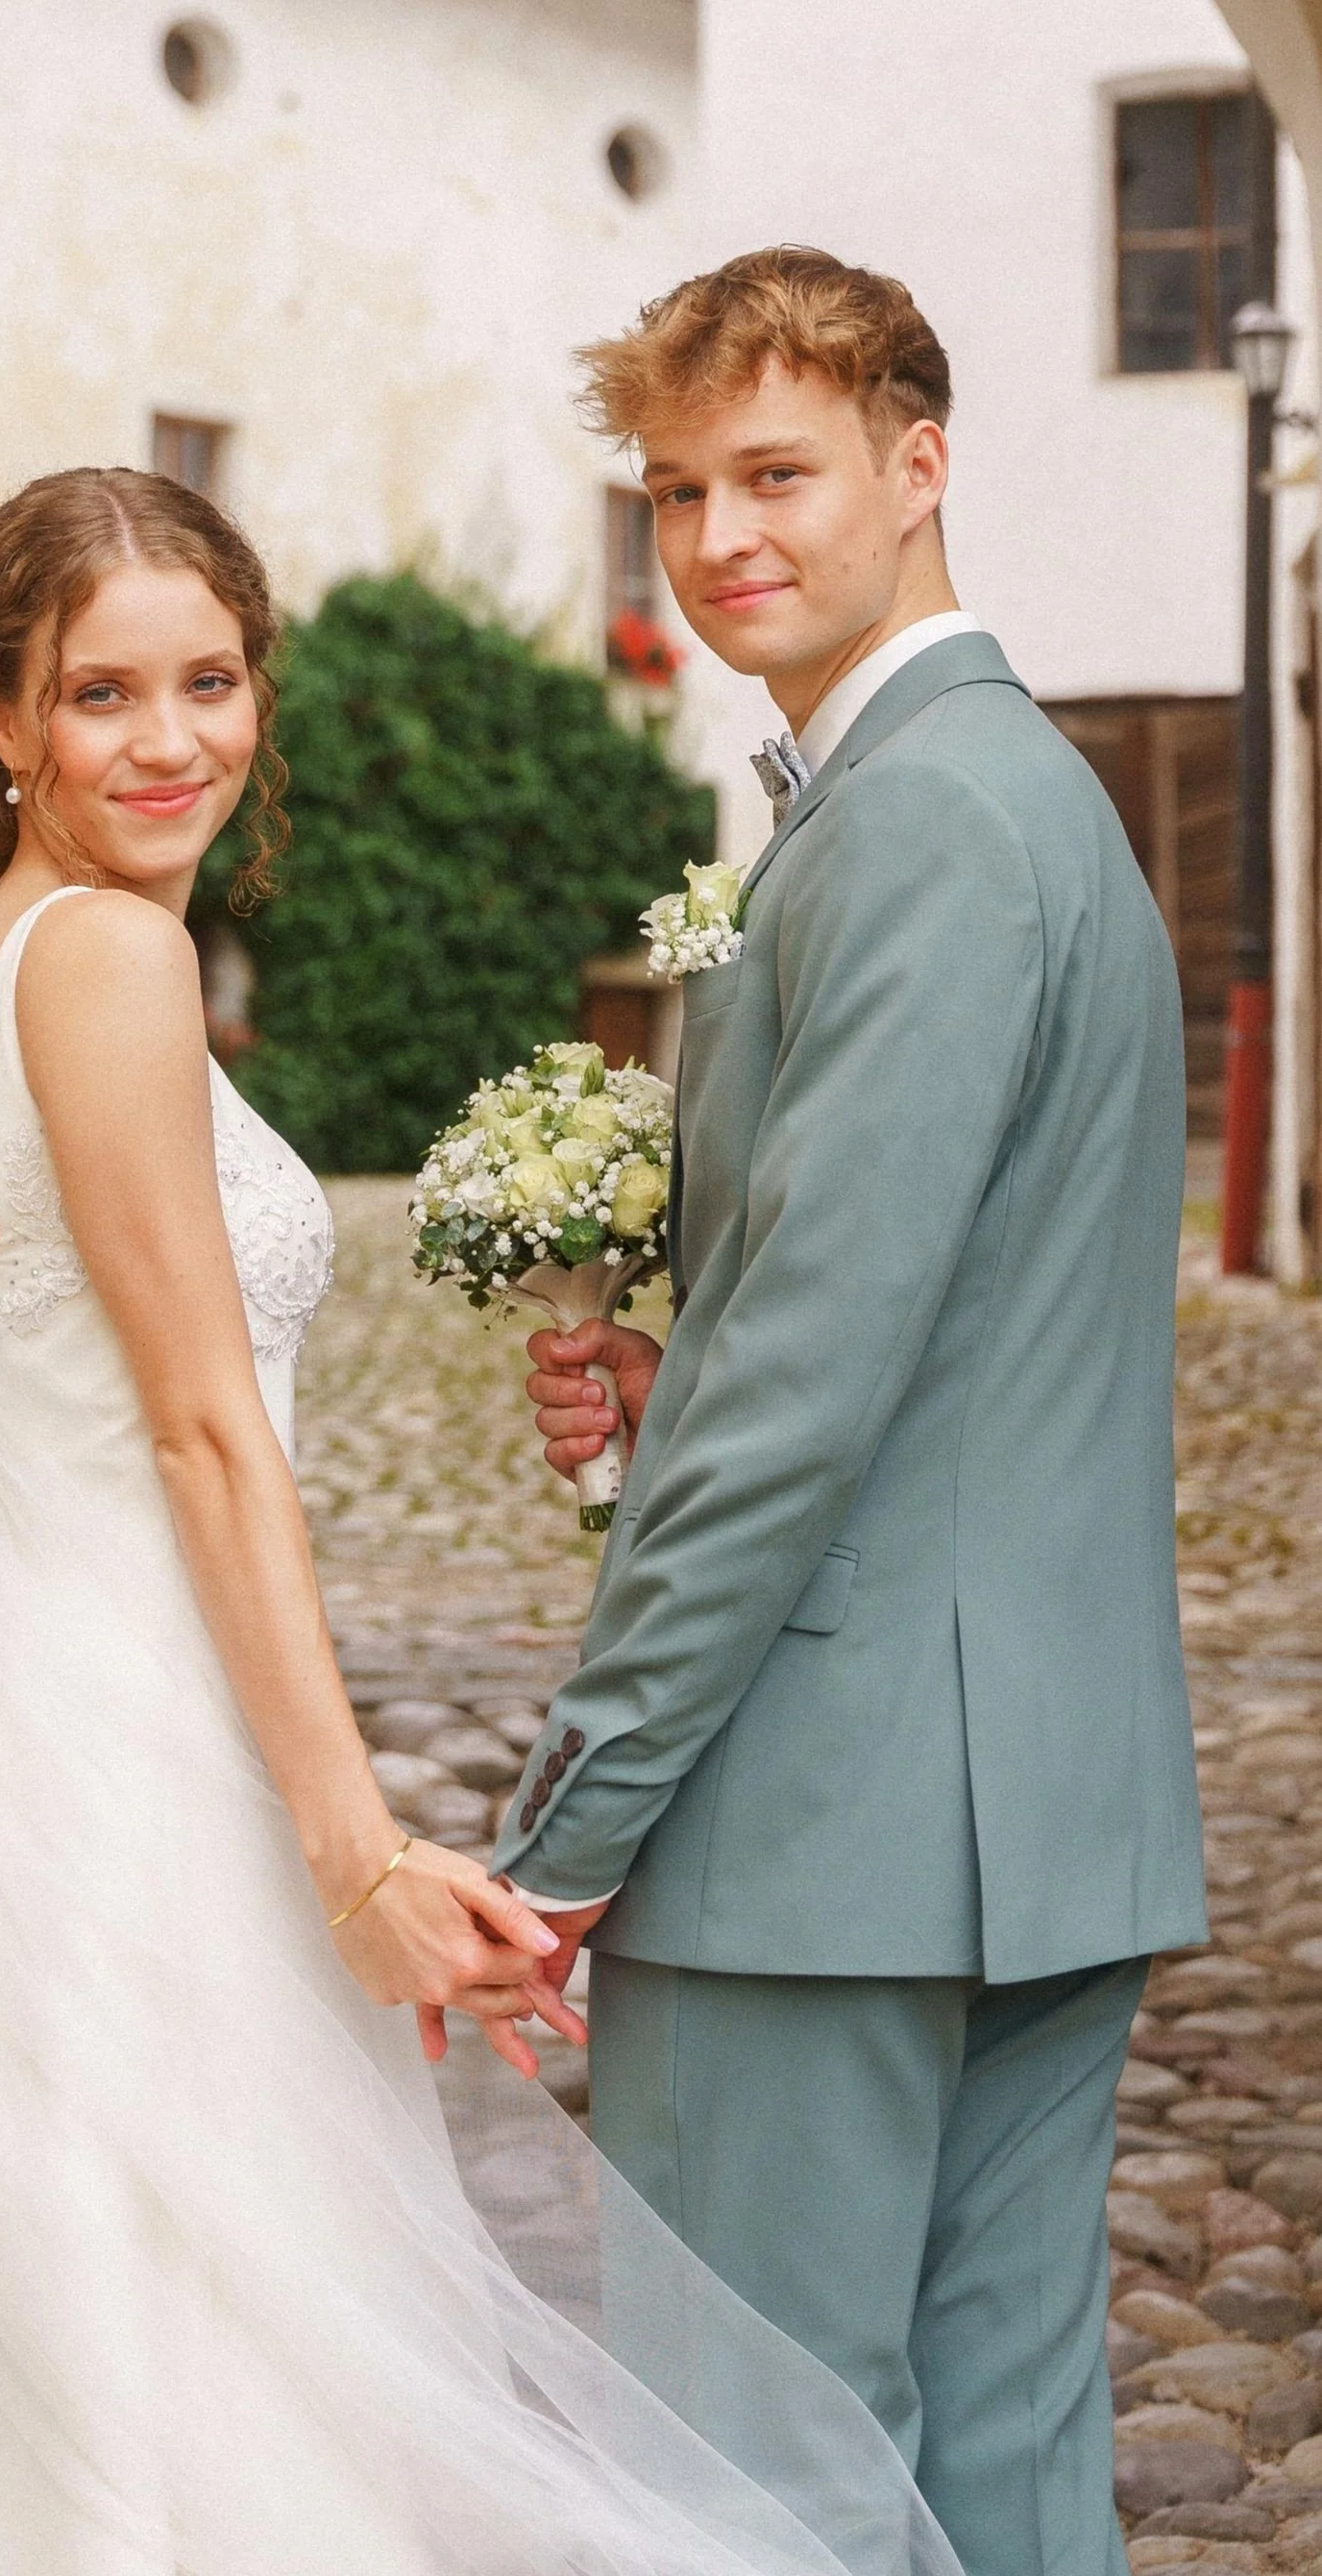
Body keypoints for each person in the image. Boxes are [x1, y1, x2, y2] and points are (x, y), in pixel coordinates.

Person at [0, 465, 964, 2576]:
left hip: (22, 1735)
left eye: (211, 680)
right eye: (102, 694)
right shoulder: (108, 968)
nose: (171, 741)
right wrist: (357, 1854)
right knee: (175, 2347)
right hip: (126, 1754)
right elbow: (204, 1439)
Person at [502, 247, 1209, 2576]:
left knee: (747, 2476)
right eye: (675, 492)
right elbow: (939, 1318)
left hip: (819, 1828)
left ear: (918, 467)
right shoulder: (1027, 799)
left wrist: (578, 1813)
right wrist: (641, 1377)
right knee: (999, 2460)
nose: (718, 539)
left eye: (774, 472)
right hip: (1039, 1806)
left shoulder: (907, 821)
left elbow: (806, 1380)